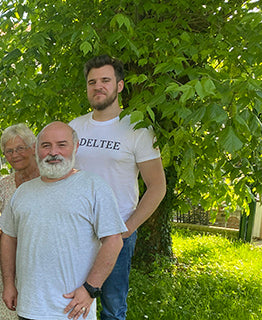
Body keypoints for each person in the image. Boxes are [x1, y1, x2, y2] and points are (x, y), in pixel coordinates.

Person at [69, 55, 166, 320]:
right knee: (71, 301)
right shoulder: (74, 128)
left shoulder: (137, 129)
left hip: (116, 233)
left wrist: (129, 227)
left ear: (120, 86)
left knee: (112, 308)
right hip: (75, 231)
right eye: (92, 82)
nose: (97, 86)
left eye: (105, 81)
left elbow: (157, 186)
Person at [0, 121, 126, 320]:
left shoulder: (94, 187)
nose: (53, 152)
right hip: (28, 308)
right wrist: (8, 284)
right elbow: (8, 237)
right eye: (46, 145)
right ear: (37, 150)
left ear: (75, 147)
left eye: (62, 144)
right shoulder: (23, 192)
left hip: (73, 311)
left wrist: (91, 288)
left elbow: (114, 240)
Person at [0, 123, 40, 320]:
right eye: (9, 151)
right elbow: (5, 230)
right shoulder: (5, 185)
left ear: (33, 148)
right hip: (9, 263)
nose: (14, 155)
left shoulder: (49, 180)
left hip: (38, 261)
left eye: (20, 148)